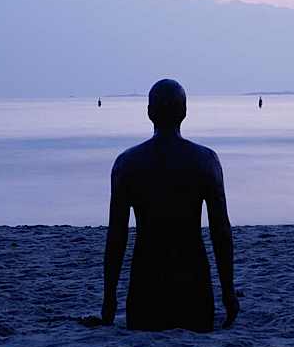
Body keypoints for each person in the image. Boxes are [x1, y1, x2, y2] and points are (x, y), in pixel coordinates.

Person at [100, 79, 238, 332]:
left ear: (149, 112)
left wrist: (109, 298)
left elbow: (116, 236)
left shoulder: (127, 164)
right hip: (194, 290)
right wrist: (228, 293)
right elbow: (221, 232)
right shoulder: (205, 161)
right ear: (184, 112)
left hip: (145, 292)